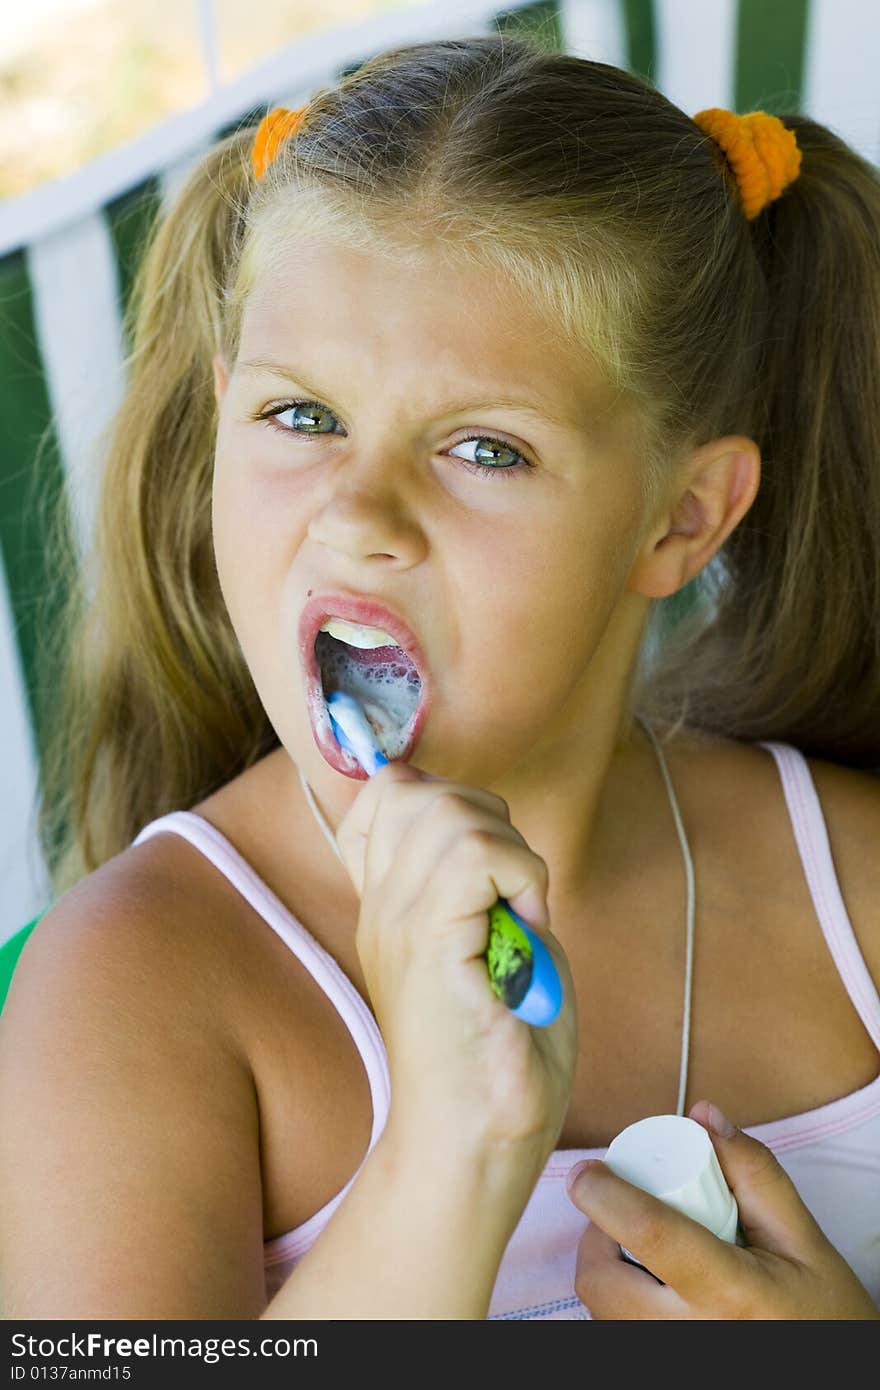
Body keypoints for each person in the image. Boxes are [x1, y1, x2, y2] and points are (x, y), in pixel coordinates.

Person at [0, 32, 878, 1321]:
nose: (359, 515)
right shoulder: (135, 993)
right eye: (303, 418)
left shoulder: (853, 891)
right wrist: (451, 1153)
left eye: (482, 448)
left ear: (681, 520)